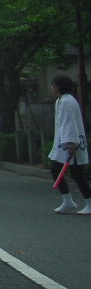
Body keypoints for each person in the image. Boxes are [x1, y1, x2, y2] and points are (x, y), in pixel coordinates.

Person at [46, 74, 90, 214]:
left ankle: (88, 202)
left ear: (58, 86)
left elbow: (69, 124)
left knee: (77, 174)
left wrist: (71, 144)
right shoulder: (60, 101)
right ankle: (68, 201)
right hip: (62, 145)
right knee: (56, 170)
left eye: (53, 85)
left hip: (72, 145)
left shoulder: (68, 102)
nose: (52, 87)